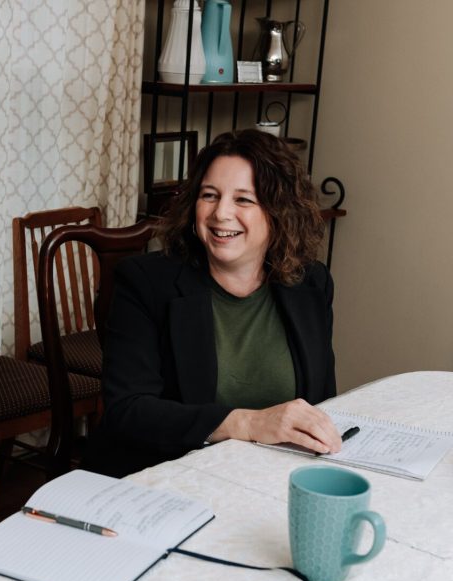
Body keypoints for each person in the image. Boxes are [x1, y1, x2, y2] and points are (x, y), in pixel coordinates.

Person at [88, 129, 341, 477]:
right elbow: (129, 411)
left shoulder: (311, 282)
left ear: (278, 211)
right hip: (170, 478)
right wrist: (246, 423)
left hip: (274, 476)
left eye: (243, 200)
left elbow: (322, 400)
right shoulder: (145, 282)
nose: (221, 213)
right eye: (210, 195)